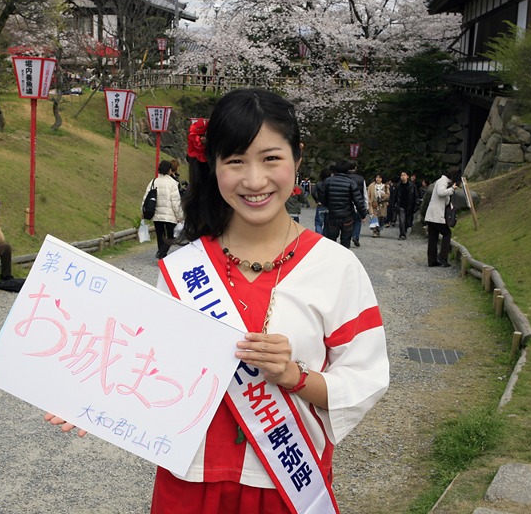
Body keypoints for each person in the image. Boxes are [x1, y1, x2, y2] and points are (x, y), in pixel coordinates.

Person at [156, 88, 388, 512]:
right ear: (214, 166)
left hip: (286, 488)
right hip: (188, 484)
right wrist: (91, 398)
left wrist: (293, 375)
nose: (254, 180)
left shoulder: (336, 267)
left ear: (297, 159)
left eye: (270, 158)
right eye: (235, 161)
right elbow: (151, 370)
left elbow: (363, 380)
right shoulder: (182, 269)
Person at [320, 161, 366, 248]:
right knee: (345, 241)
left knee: (331, 241)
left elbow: (322, 198)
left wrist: (329, 205)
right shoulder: (351, 183)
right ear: (348, 170)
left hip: (332, 215)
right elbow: (358, 200)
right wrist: (363, 213)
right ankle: (344, 259)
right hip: (347, 216)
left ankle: (331, 259)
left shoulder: (328, 181)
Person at [144, 159, 183, 260]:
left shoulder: (153, 181)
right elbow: (176, 202)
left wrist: (142, 211)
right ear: (170, 170)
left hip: (156, 214)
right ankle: (162, 253)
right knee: (171, 236)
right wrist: (180, 216)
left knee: (160, 235)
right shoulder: (173, 183)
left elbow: (146, 198)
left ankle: (161, 255)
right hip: (170, 215)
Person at [425, 173, 459, 268]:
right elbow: (440, 193)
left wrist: (450, 190)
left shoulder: (441, 182)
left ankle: (432, 260)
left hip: (432, 214)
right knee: (447, 233)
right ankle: (442, 257)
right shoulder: (443, 181)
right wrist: (452, 189)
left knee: (433, 237)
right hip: (436, 214)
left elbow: (446, 200)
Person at [342, 160, 368, 247]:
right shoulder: (361, 179)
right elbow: (364, 194)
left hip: (346, 204)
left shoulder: (344, 178)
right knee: (357, 221)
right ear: (355, 168)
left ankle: (348, 237)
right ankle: (355, 236)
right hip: (358, 204)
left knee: (348, 222)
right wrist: (365, 208)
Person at [393, 171, 418, 240]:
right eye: (401, 175)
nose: (402, 177)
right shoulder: (398, 185)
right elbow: (395, 196)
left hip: (410, 206)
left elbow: (416, 197)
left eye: (404, 175)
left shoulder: (412, 186)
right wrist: (393, 205)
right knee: (401, 220)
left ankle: (405, 230)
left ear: (407, 176)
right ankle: (402, 234)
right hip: (401, 205)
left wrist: (416, 206)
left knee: (408, 222)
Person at [311, 167, 331, 235]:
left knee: (318, 224)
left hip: (321, 205)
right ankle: (324, 238)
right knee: (327, 225)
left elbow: (313, 192)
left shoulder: (319, 183)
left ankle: (318, 236)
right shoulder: (331, 183)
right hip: (329, 205)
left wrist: (317, 200)